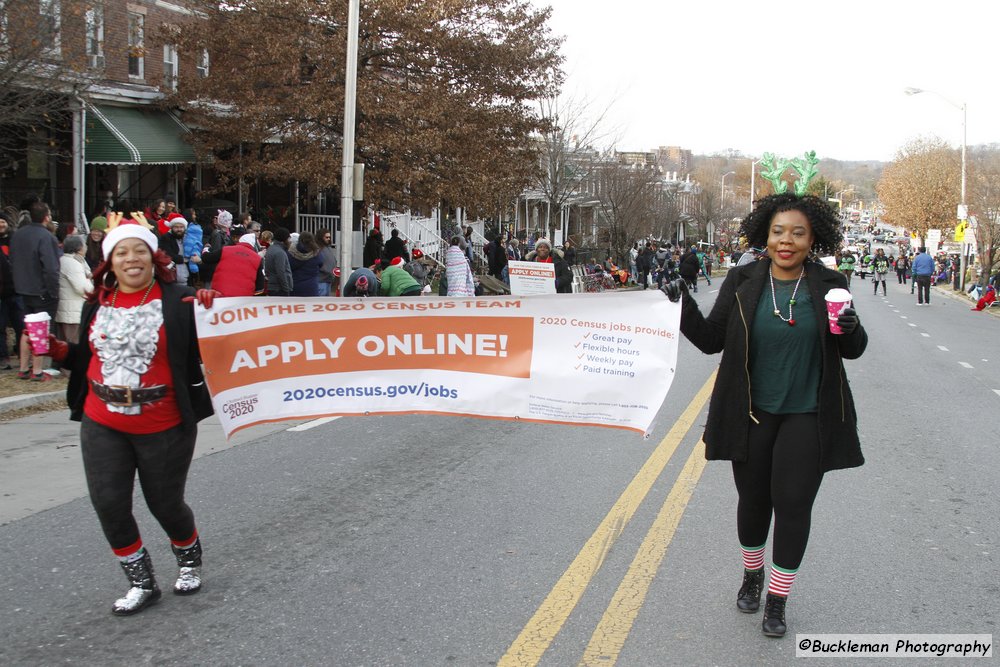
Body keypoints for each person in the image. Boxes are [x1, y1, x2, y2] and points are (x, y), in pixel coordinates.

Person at [664, 192, 867, 639]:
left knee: (793, 505)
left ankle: (777, 599)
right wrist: (681, 305)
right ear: (765, 236)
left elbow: (851, 348)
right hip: (750, 412)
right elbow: (711, 339)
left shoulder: (830, 282)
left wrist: (852, 327)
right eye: (778, 232)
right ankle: (752, 575)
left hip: (809, 414)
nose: (787, 241)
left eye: (798, 233)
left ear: (813, 238)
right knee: (754, 502)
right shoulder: (742, 280)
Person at [46, 220, 214, 615]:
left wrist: (214, 310)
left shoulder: (181, 300)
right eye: (121, 252)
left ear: (154, 258)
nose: (131, 258)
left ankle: (189, 561)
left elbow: (223, 343)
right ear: (109, 262)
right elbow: (86, 359)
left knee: (165, 504)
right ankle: (142, 583)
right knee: (109, 503)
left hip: (164, 422)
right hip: (101, 418)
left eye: (139, 250)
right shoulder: (96, 303)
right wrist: (57, 351)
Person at [11, 200, 61, 381]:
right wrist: (54, 291)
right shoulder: (47, 237)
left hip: (22, 288)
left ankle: (23, 368)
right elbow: (51, 268)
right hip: (42, 290)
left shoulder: (18, 235)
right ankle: (37, 371)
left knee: (26, 329)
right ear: (46, 217)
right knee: (40, 329)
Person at [199, 233, 265, 297]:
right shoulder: (257, 258)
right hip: (243, 299)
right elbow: (260, 287)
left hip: (220, 294)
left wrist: (206, 249)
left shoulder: (226, 250)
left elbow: (206, 258)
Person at [57, 235, 93, 343]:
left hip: (67, 309)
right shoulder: (73, 263)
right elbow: (83, 288)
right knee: (73, 344)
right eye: (84, 244)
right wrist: (91, 283)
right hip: (72, 311)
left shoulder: (70, 260)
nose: (86, 247)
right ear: (79, 248)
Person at [264, 227, 294, 296]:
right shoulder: (280, 252)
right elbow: (281, 272)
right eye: (289, 238)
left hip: (273, 287)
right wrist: (286, 289)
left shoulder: (271, 249)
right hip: (279, 289)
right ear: (284, 239)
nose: (290, 241)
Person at [159, 217, 189, 285]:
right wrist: (184, 259)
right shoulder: (166, 238)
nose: (179, 229)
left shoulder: (187, 238)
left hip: (186, 273)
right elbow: (167, 254)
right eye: (176, 227)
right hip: (172, 274)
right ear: (172, 228)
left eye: (181, 227)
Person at [316, 228, 338, 297]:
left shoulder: (328, 248)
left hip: (328, 280)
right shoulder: (318, 249)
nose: (328, 239)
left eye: (329, 237)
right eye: (326, 237)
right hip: (321, 280)